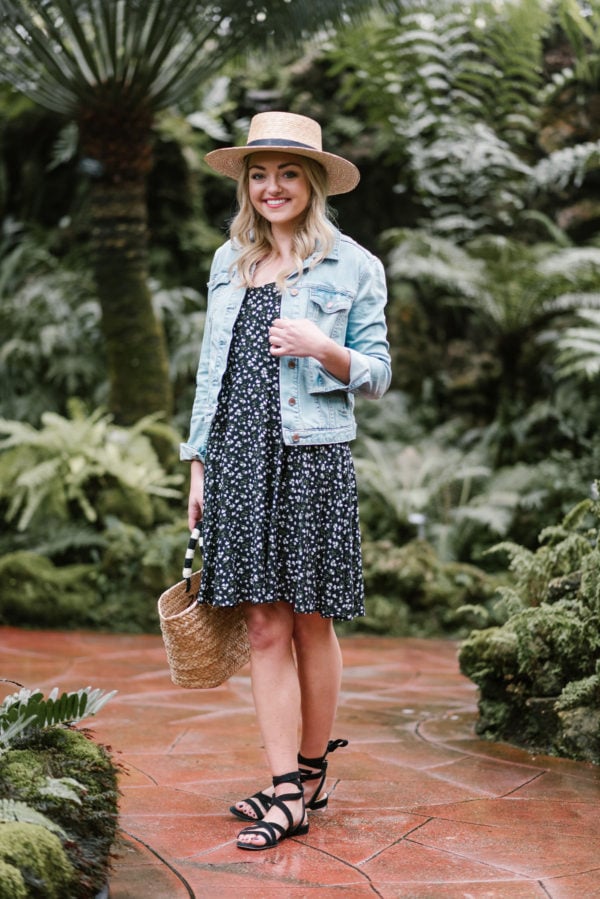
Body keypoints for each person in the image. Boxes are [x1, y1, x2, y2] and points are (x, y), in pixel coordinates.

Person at [181, 111, 391, 851]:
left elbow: (377, 374)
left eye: (288, 173)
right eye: (259, 174)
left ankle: (306, 773)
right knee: (263, 622)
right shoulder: (228, 263)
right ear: (246, 184)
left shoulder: (354, 266)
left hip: (310, 454)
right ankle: (284, 791)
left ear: (313, 183)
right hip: (238, 454)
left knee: (310, 619)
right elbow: (215, 375)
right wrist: (198, 463)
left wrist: (322, 346)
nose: (272, 187)